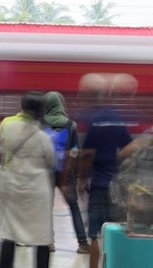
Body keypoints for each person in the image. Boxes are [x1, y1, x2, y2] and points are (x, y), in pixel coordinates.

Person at [76, 74, 132, 268]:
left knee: (95, 235)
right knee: (115, 230)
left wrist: (82, 179)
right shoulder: (117, 117)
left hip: (98, 184)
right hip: (117, 185)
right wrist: (116, 163)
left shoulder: (94, 119)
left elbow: (88, 154)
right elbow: (129, 147)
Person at [0, 93, 55, 268]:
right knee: (42, 235)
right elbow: (51, 161)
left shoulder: (7, 124)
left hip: (11, 185)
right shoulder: (42, 136)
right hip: (37, 190)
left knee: (9, 233)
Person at [42, 91, 90, 253]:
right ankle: (83, 243)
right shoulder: (71, 125)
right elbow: (75, 150)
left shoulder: (40, 123)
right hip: (66, 172)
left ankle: (48, 242)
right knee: (74, 206)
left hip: (45, 172)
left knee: (45, 207)